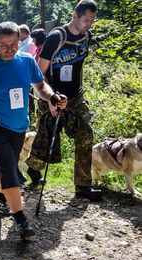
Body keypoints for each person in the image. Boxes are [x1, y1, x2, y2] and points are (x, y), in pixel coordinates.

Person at [0, 21, 67, 240]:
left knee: (7, 166)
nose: (10, 48)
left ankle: (2, 200)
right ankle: (21, 219)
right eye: (4, 44)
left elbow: (40, 87)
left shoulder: (27, 61)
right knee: (10, 168)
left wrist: (52, 96)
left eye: (14, 43)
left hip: (19, 127)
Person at [26, 0, 101, 200]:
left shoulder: (86, 36)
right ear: (74, 16)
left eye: (92, 20)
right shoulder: (56, 38)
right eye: (86, 19)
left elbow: (80, 64)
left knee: (85, 134)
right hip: (53, 97)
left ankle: (83, 187)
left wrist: (79, 88)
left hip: (75, 98)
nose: (89, 24)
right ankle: (33, 168)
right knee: (47, 140)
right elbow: (39, 73)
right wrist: (50, 98)